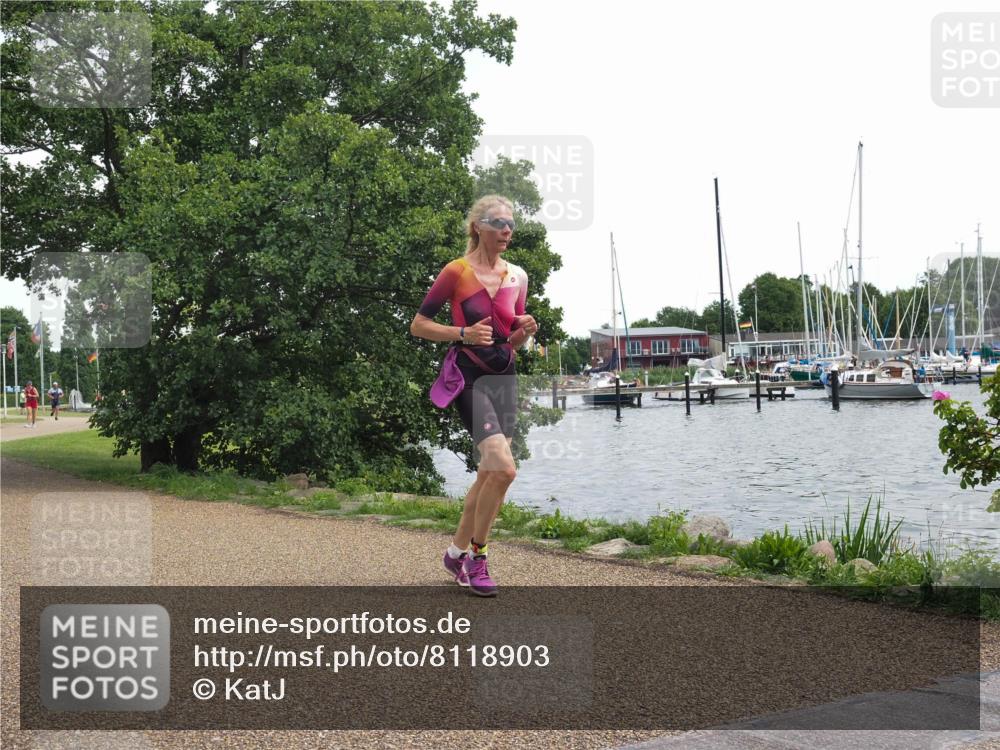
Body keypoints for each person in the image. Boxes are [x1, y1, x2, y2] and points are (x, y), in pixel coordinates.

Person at [410, 195, 537, 597]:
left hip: (505, 376)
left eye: (511, 224)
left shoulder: (518, 275)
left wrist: (524, 332)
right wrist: (462, 333)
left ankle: (454, 553)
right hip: (468, 375)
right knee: (504, 468)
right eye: (498, 222)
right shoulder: (456, 272)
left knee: (489, 474)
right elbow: (419, 325)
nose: (506, 230)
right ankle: (477, 559)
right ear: (477, 226)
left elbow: (510, 337)